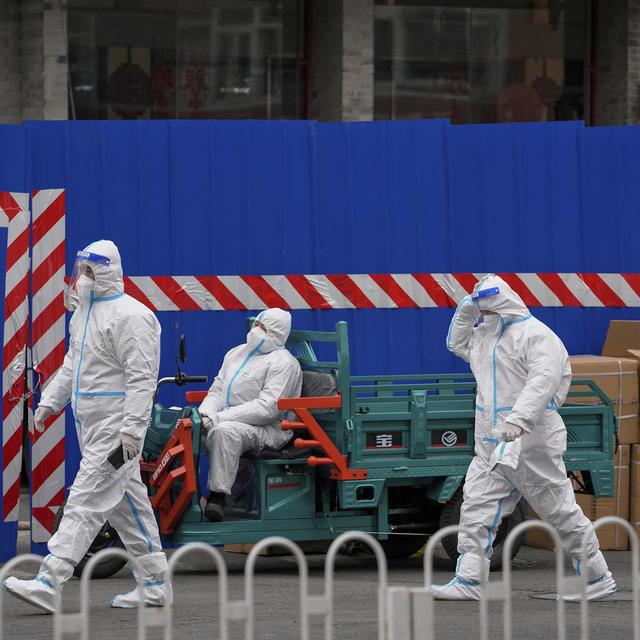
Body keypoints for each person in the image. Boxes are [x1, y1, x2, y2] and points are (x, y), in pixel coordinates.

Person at [3, 240, 171, 612]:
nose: (83, 277)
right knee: (128, 507)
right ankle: (156, 583)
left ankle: (50, 579)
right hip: (92, 426)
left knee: (84, 499)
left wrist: (130, 432)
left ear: (110, 270)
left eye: (92, 270)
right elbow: (71, 365)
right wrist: (48, 402)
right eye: (82, 269)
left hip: (116, 430)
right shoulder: (84, 313)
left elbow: (142, 380)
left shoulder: (133, 316)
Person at [433, 274, 617, 601]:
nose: (484, 316)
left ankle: (596, 577)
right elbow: (456, 343)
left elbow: (542, 383)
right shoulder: (485, 338)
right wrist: (466, 309)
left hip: (530, 442)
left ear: (502, 303)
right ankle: (470, 579)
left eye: (488, 308)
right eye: (481, 311)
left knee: (559, 510)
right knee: (476, 506)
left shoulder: (536, 336)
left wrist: (517, 421)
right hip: (492, 444)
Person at [199, 308, 302, 522]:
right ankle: (184, 496)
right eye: (256, 324)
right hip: (231, 419)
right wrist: (206, 413)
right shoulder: (236, 353)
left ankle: (217, 498)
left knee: (225, 433)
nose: (256, 329)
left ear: (276, 332)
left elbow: (268, 409)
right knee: (188, 429)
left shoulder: (284, 363)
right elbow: (217, 389)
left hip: (270, 429)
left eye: (262, 327)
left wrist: (219, 418)